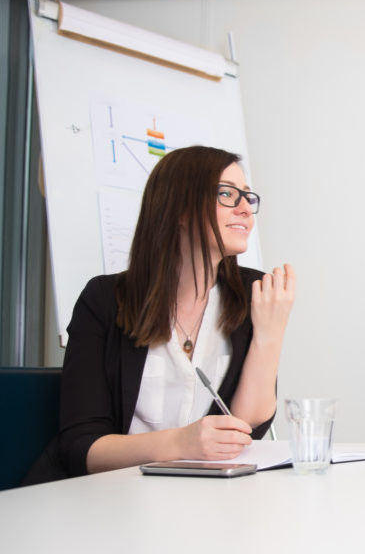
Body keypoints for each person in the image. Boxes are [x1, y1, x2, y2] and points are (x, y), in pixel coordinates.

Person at [58, 145, 295, 476]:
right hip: (115, 497)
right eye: (227, 194)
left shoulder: (254, 293)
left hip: (208, 497)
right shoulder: (105, 299)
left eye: (247, 197)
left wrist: (270, 333)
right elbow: (81, 448)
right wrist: (181, 443)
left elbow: (244, 427)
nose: (244, 209)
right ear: (179, 209)